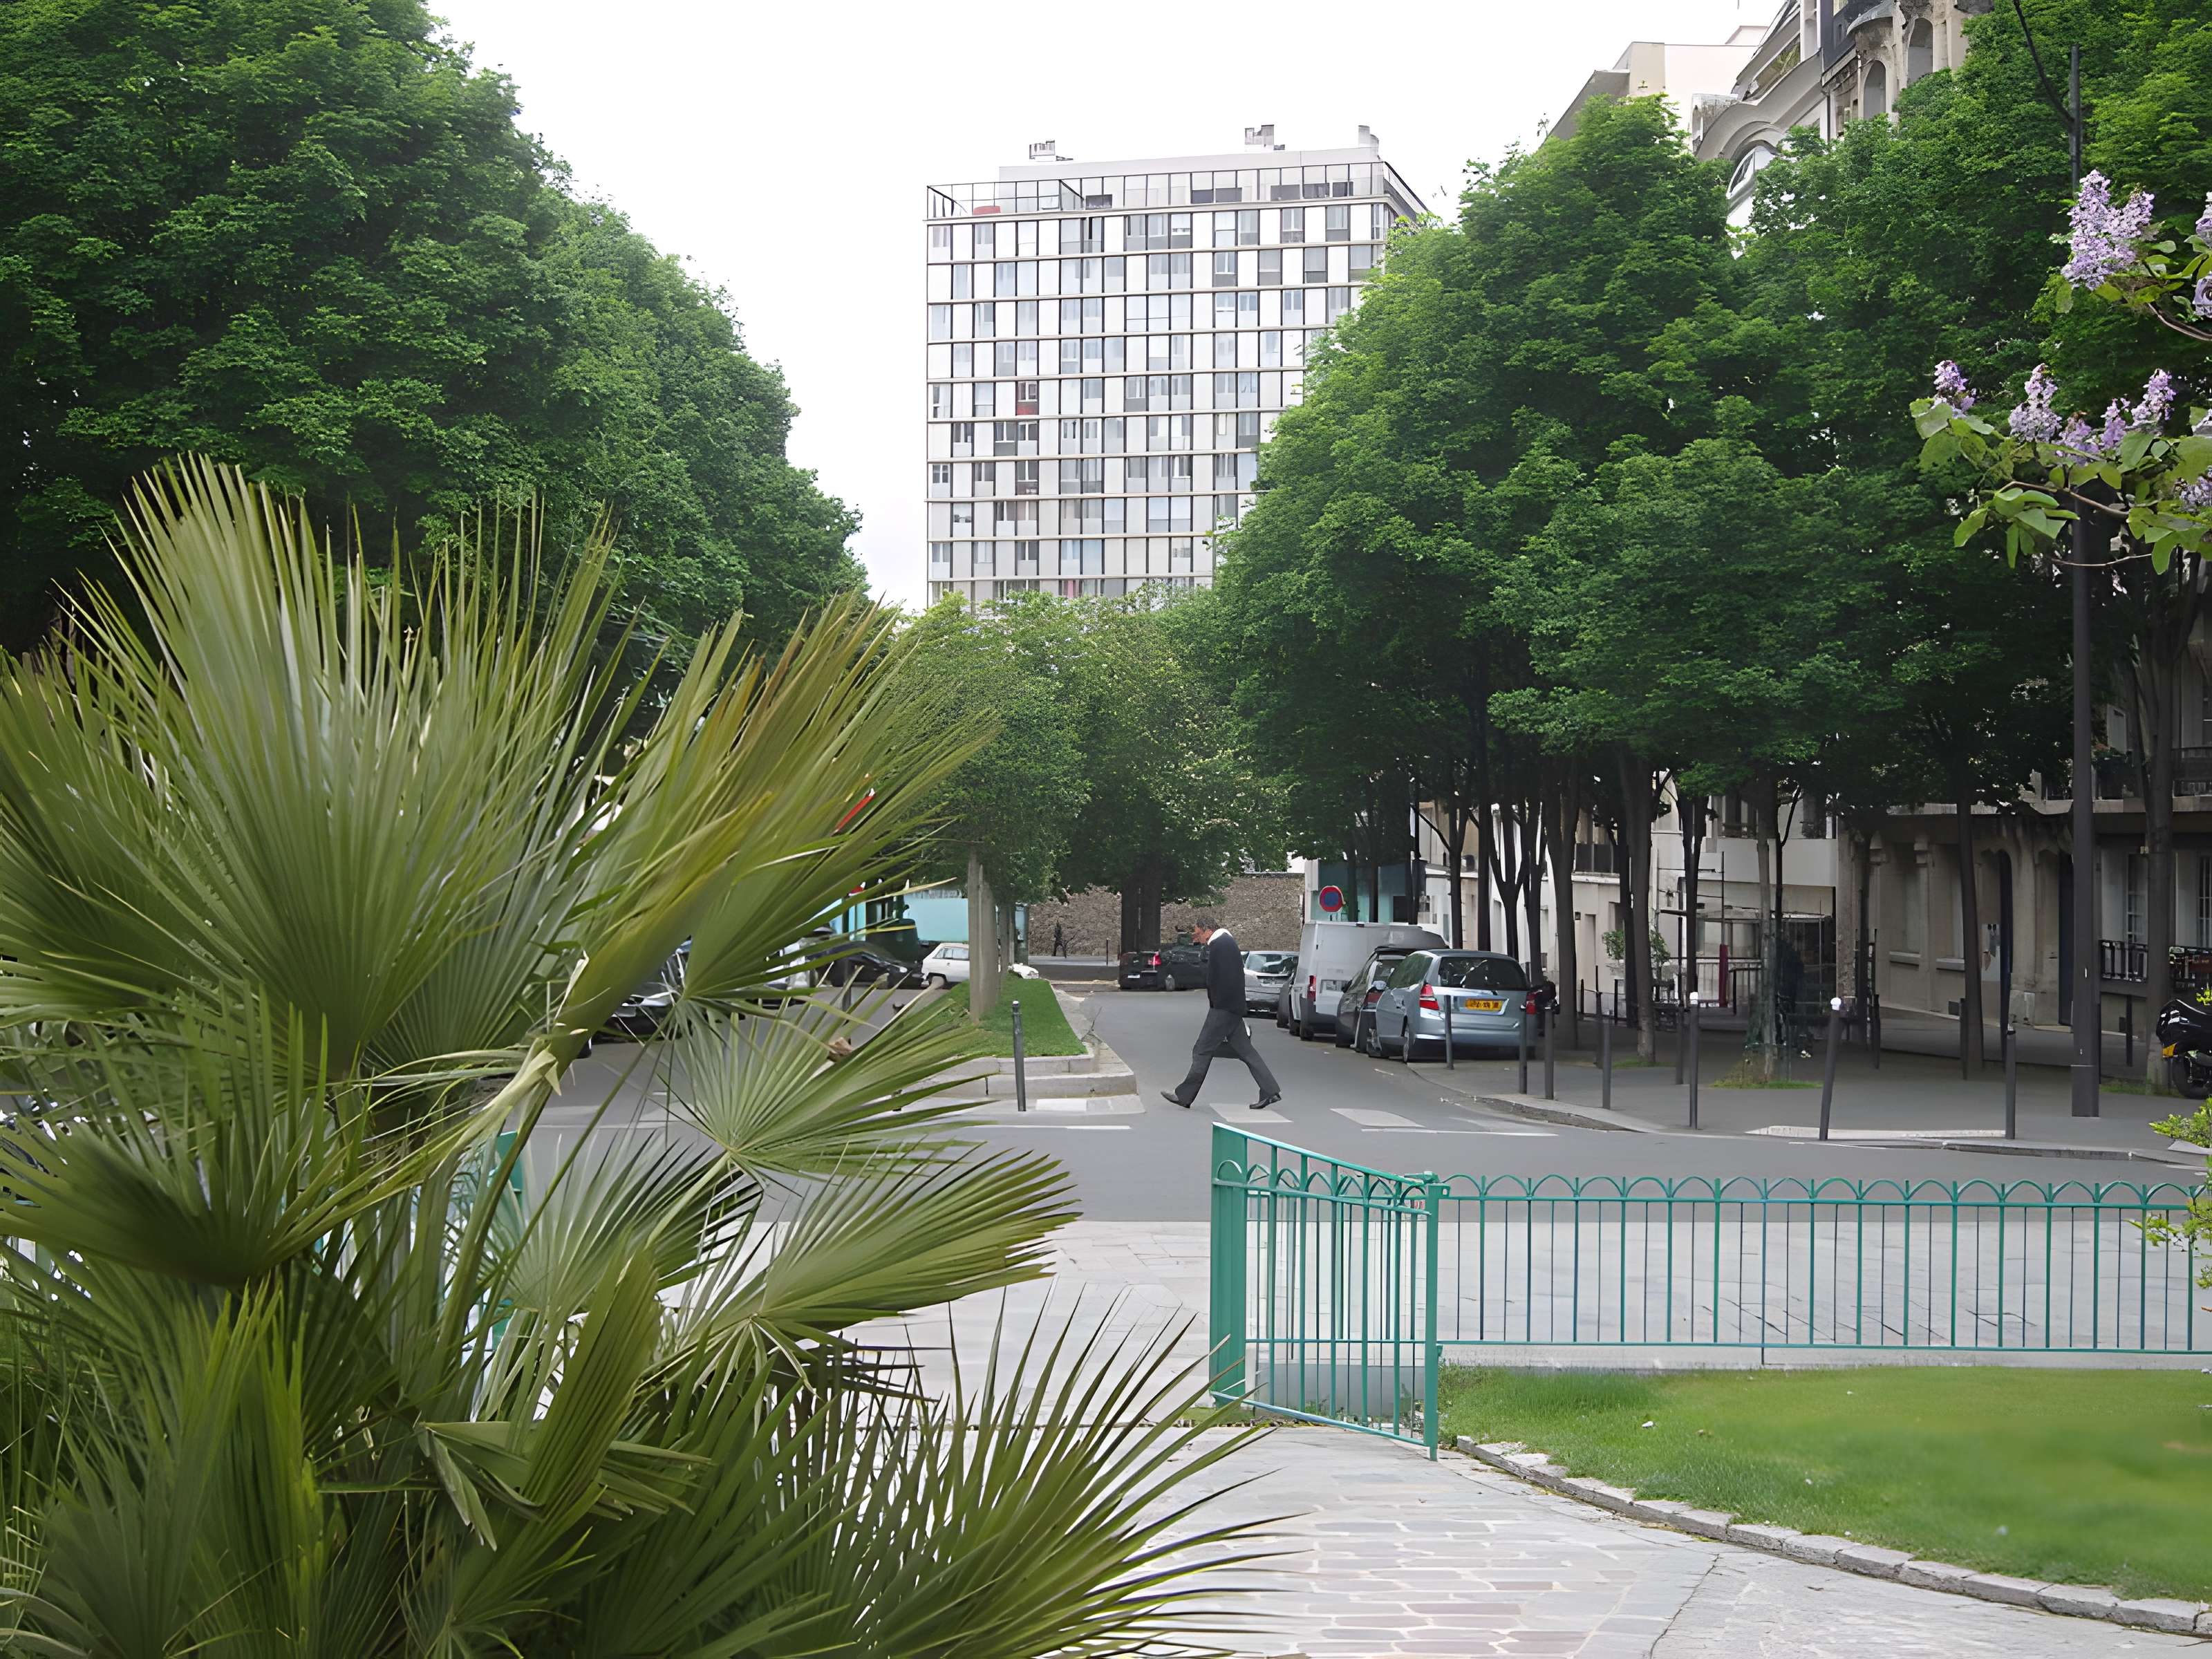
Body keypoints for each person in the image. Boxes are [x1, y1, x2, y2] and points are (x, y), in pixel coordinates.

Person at [1161, 917, 1282, 1111]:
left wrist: (1218, 1007)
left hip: (1224, 1009)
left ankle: (1184, 1096)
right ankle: (1270, 1090)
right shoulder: (1225, 942)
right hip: (1231, 1008)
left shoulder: (1220, 944)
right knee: (1245, 1051)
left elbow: (1222, 980)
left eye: (1197, 933)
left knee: (1201, 1049)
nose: (1196, 938)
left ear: (1208, 930)